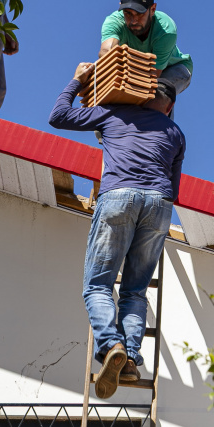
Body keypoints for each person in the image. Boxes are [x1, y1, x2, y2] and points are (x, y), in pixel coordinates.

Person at [48, 63, 186, 399]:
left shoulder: (113, 115)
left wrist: (78, 79)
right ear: (168, 106)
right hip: (159, 205)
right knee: (135, 291)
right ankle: (131, 361)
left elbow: (58, 116)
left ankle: (112, 345)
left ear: (140, 98)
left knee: (98, 285)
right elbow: (175, 190)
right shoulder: (176, 133)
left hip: (119, 197)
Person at [99, 0, 194, 108]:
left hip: (175, 69)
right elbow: (107, 51)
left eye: (139, 14)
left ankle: (162, 126)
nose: (133, 21)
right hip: (138, 71)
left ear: (153, 9)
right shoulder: (114, 21)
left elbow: (151, 78)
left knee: (155, 98)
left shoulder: (166, 30)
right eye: (128, 14)